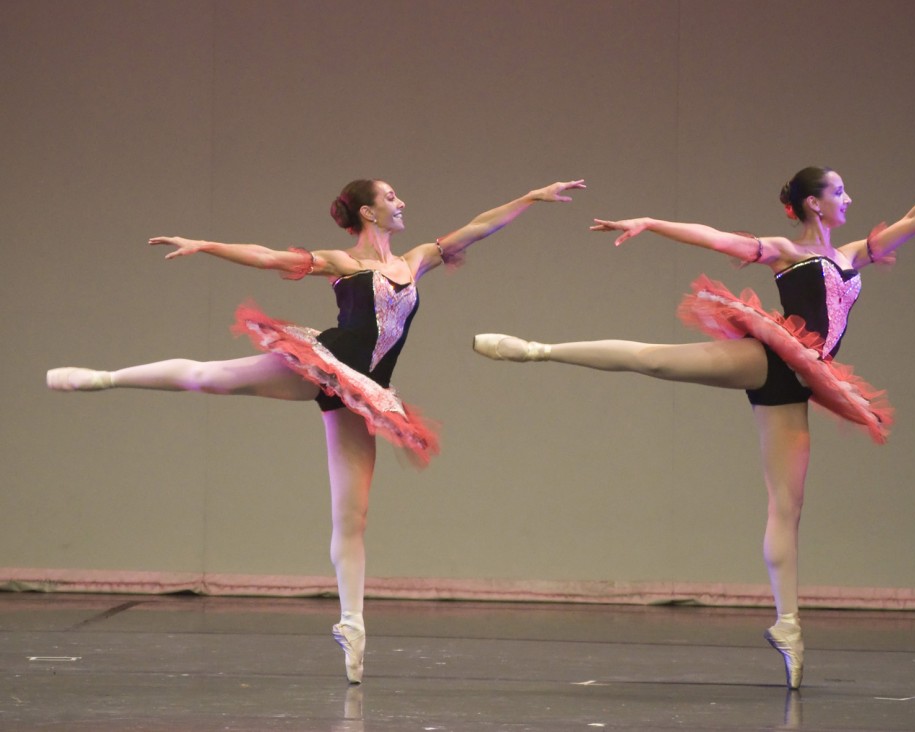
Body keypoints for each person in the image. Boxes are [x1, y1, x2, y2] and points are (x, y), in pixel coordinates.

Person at [472, 153, 915, 689]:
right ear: (815, 203)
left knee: (787, 506)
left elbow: (914, 222)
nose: (849, 198)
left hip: (804, 382)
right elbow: (716, 238)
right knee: (655, 359)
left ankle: (789, 624)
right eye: (839, 191)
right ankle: (536, 350)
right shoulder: (786, 251)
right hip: (773, 358)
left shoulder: (852, 254)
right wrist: (651, 223)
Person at [46, 177, 586, 684]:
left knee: (352, 516)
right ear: (368, 210)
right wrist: (205, 244)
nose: (402, 204)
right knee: (208, 377)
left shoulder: (416, 259)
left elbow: (478, 227)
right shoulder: (341, 262)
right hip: (323, 363)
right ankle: (102, 378)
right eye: (391, 197)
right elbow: (267, 257)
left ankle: (352, 624)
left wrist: (533, 198)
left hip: (366, 392)